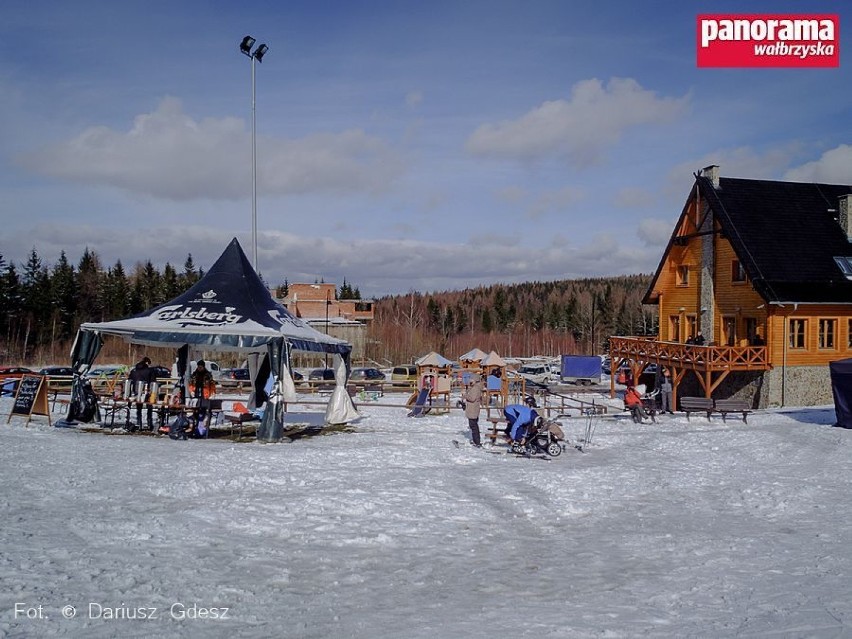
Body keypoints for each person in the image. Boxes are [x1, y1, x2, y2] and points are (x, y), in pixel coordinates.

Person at [189, 360, 215, 435]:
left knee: (204, 412)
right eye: (198, 366)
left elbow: (212, 385)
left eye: (201, 366)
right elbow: (190, 384)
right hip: (196, 395)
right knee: (195, 411)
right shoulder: (194, 374)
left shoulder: (208, 375)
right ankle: (195, 427)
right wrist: (191, 391)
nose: (199, 368)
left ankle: (202, 429)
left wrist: (212, 393)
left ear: (203, 367)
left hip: (205, 395)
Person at [128, 357, 154, 431]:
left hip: (136, 391)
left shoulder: (134, 370)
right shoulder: (149, 371)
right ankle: (149, 423)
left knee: (138, 408)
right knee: (149, 407)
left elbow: (130, 380)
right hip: (147, 391)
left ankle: (139, 422)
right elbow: (152, 381)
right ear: (147, 363)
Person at [462, 375, 483, 447]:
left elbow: (472, 398)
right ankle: (476, 441)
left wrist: (465, 395)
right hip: (473, 409)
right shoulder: (474, 387)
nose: (470, 381)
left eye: (471, 380)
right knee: (473, 425)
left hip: (473, 409)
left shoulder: (475, 388)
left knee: (473, 426)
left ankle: (477, 442)